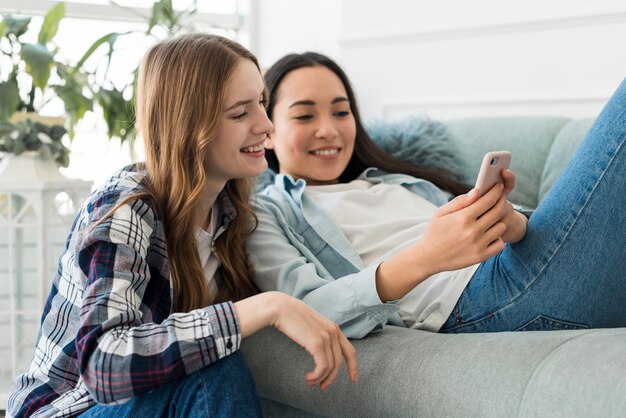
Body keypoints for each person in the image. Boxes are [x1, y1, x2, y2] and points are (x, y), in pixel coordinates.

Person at [7, 37, 358, 418]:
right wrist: (266, 307)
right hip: (71, 409)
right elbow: (102, 366)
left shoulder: (233, 211)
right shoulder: (126, 208)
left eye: (261, 102)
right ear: (189, 126)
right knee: (213, 371)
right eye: (240, 114)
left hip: (151, 404)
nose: (266, 125)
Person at [246, 51, 626, 339]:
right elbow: (309, 310)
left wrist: (511, 223)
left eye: (341, 113)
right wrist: (427, 257)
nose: (329, 130)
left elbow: (511, 234)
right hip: (479, 301)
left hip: (513, 263)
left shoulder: (394, 181)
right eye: (304, 116)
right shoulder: (265, 212)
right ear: (269, 131)